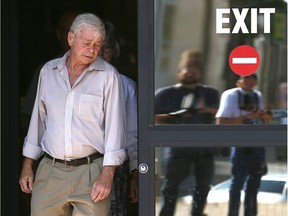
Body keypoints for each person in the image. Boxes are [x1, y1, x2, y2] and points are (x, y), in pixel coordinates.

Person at [18, 13, 126, 216]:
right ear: (70, 38)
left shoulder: (108, 76)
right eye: (87, 42)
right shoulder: (48, 72)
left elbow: (115, 129)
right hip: (50, 170)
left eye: (97, 44)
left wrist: (107, 174)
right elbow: (38, 122)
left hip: (91, 172)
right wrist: (27, 165)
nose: (92, 49)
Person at [155, 49, 220, 216]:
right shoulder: (166, 93)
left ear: (200, 74)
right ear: (178, 74)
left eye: (195, 71)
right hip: (177, 146)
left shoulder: (210, 93)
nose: (190, 74)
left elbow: (222, 114)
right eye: (187, 70)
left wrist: (205, 109)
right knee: (170, 185)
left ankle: (197, 213)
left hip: (204, 147)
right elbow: (152, 118)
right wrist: (177, 115)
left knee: (203, 185)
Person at [215, 74, 272, 216]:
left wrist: (264, 117)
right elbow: (221, 121)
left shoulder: (257, 95)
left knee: (254, 185)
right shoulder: (231, 95)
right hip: (240, 143)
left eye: (253, 78)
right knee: (237, 184)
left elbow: (262, 120)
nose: (249, 81)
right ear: (238, 81)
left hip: (257, 144)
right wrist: (246, 118)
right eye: (246, 77)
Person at [99, 21, 138, 216]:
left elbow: (132, 134)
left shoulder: (126, 86)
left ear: (114, 51)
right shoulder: (69, 82)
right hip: (78, 167)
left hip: (116, 166)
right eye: (93, 46)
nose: (98, 53)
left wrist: (135, 174)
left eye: (105, 48)